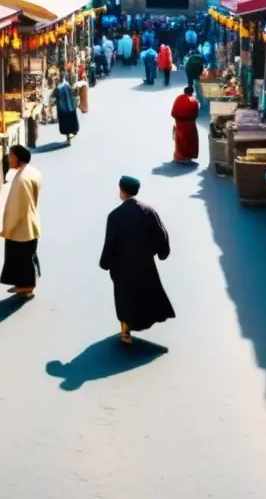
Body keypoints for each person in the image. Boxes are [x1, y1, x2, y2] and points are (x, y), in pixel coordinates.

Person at [99, 176, 175, 345]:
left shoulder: (115, 216)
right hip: (144, 264)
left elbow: (110, 243)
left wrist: (105, 263)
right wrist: (161, 253)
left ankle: (125, 331)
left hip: (122, 267)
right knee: (145, 294)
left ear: (121, 191)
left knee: (124, 298)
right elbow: (161, 235)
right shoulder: (148, 212)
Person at [0, 145, 42, 297]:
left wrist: (8, 228)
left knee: (21, 257)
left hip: (21, 226)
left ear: (18, 157)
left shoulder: (21, 180)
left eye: (11, 156)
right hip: (30, 221)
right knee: (26, 256)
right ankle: (25, 285)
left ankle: (26, 287)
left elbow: (17, 208)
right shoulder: (32, 172)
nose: (9, 159)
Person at [171, 87, 200, 162]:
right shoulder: (194, 101)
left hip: (180, 123)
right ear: (192, 92)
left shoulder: (179, 98)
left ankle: (180, 156)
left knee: (180, 141)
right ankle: (188, 156)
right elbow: (196, 114)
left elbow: (173, 112)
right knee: (190, 140)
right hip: (190, 124)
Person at [54, 74, 79, 144]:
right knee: (70, 123)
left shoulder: (59, 88)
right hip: (70, 108)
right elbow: (73, 95)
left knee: (65, 125)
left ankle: (68, 138)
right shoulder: (67, 86)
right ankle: (69, 138)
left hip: (62, 109)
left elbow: (56, 97)